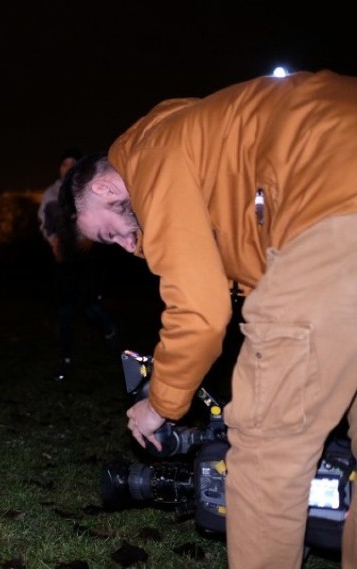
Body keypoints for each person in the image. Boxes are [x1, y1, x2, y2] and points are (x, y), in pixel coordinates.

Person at [61, 70, 357, 568]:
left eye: (109, 231)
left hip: (333, 208)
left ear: (110, 185)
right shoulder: (207, 145)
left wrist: (160, 404)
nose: (124, 245)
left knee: (266, 448)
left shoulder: (149, 155)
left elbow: (199, 312)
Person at [38, 149, 116, 381]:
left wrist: (90, 239)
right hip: (63, 261)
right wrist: (52, 241)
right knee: (65, 310)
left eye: (73, 163)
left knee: (91, 306)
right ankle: (65, 359)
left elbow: (104, 218)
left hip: (87, 261)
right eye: (64, 164)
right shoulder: (51, 194)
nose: (68, 167)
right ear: (59, 168)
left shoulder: (91, 190)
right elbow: (44, 221)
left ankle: (111, 335)